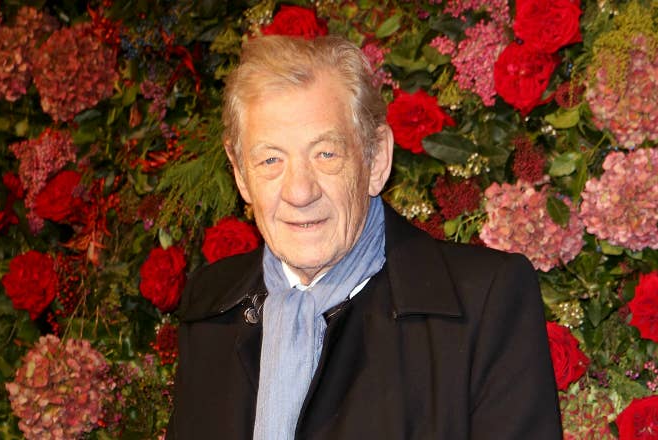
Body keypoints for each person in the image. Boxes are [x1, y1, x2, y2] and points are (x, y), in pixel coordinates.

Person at [167, 35, 562, 439]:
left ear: (376, 159)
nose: (299, 192)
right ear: (240, 175)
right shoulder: (210, 305)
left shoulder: (484, 301)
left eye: (326, 154)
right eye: (270, 159)